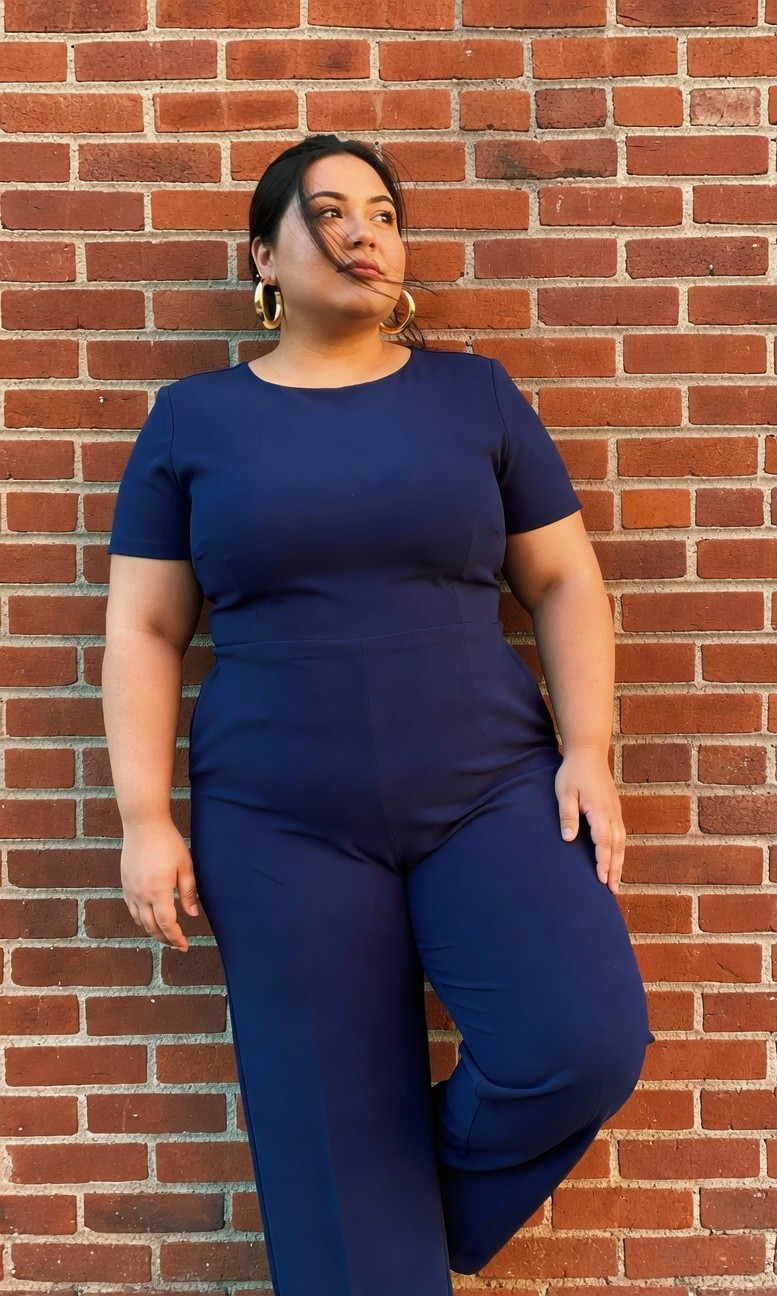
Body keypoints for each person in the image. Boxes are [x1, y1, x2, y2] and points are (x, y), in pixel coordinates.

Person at [102, 132, 655, 1296]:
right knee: (326, 1140)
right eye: (332, 213)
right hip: (278, 820)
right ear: (265, 253)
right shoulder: (192, 421)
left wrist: (590, 749)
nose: (366, 235)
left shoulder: (476, 396)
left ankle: (386, 1220)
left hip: (492, 790)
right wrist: (144, 817)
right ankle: (365, 1240)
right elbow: (146, 630)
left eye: (386, 214)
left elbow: (563, 581)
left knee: (580, 1040)